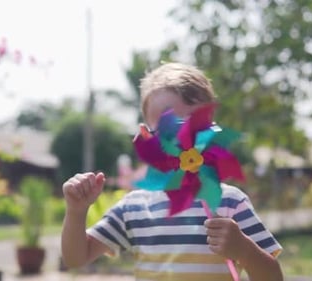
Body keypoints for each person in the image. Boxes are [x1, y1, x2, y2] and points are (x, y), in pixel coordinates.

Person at [61, 62, 284, 281]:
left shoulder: (231, 203)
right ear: (147, 136)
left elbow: (274, 277)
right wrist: (76, 211)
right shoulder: (134, 208)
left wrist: (245, 250)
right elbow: (77, 257)